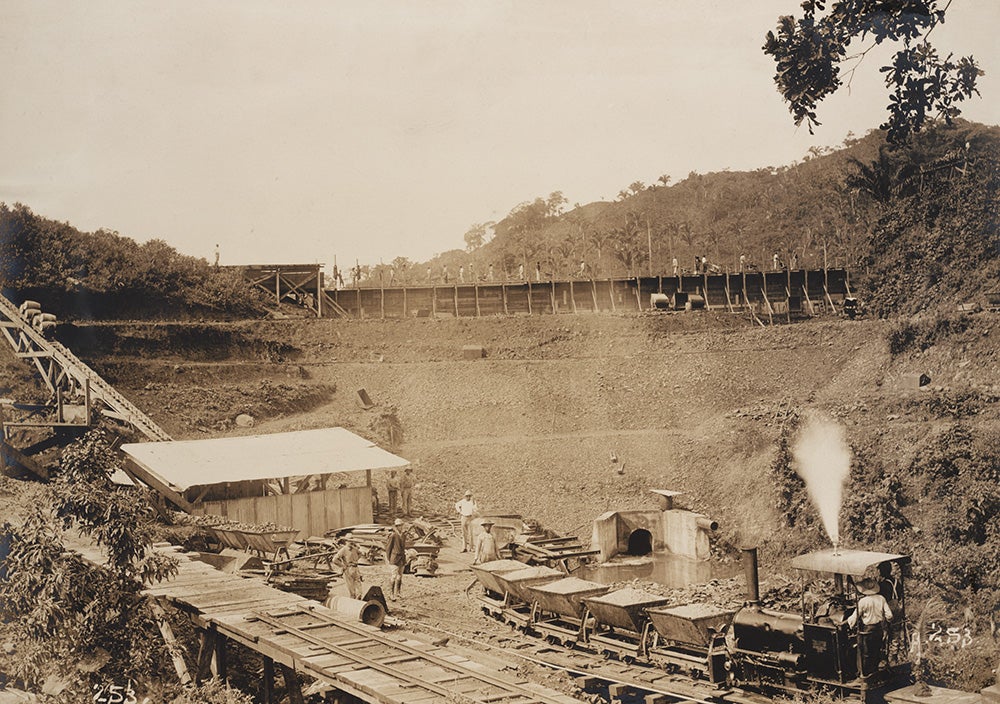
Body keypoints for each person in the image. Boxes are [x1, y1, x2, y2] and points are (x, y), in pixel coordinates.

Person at [848, 577, 893, 677]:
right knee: (876, 650)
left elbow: (855, 617)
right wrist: (887, 623)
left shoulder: (863, 601)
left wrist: (850, 623)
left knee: (864, 652)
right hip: (878, 629)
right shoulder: (881, 598)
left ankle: (863, 674)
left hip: (867, 630)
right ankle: (874, 672)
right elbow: (889, 615)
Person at [385, 518, 407, 600]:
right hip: (394, 558)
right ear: (396, 526)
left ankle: (398, 593)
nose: (401, 527)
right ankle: (391, 594)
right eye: (399, 526)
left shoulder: (403, 535)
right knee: (394, 576)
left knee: (400, 576)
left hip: (402, 558)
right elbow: (388, 549)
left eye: (401, 525)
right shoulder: (393, 535)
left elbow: (403, 547)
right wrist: (389, 559)